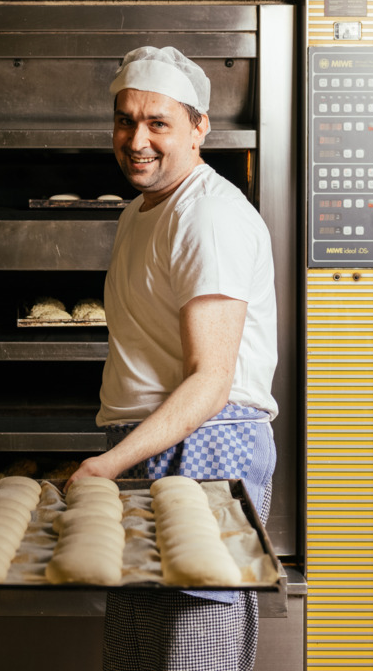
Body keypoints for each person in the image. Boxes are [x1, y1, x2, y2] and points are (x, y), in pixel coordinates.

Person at [68, 46, 278, 671]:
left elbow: (211, 382)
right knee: (136, 654)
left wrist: (105, 466)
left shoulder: (208, 215)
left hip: (208, 445)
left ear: (198, 127)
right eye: (125, 120)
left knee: (193, 655)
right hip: (149, 446)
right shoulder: (141, 211)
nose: (137, 140)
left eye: (158, 122)